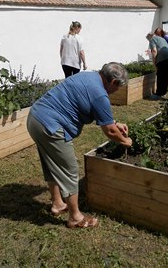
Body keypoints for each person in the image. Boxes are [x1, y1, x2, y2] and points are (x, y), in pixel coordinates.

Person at [26, 62, 133, 229]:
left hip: (36, 118)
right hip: (51, 126)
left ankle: (57, 203)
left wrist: (115, 122)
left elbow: (105, 118)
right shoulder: (100, 94)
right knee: (70, 170)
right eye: (118, 87)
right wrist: (126, 141)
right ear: (112, 82)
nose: (117, 91)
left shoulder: (88, 76)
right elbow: (110, 132)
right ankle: (75, 217)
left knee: (50, 162)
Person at [146, 32, 168, 99]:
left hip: (162, 59)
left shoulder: (152, 39)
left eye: (148, 40)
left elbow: (154, 51)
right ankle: (164, 93)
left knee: (160, 77)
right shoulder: (161, 38)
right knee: (166, 76)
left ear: (149, 37)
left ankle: (158, 94)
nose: (149, 42)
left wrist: (154, 63)